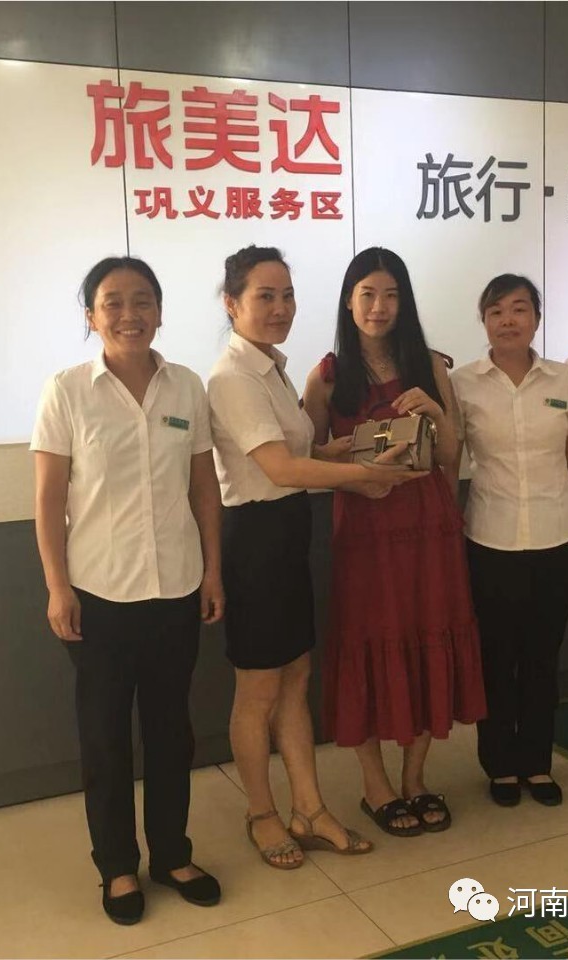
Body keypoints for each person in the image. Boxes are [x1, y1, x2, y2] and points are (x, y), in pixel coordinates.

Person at [207, 245, 419, 869]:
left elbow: (307, 450)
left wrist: (370, 445)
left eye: (287, 295)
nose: (280, 308)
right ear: (232, 303)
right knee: (258, 691)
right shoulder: (231, 377)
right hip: (253, 543)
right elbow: (278, 468)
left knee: (296, 679)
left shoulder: (272, 369)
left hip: (287, 535)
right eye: (264, 296)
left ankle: (309, 808)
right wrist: (364, 477)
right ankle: (262, 813)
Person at [32, 256, 223, 925]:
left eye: (142, 300)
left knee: (172, 734)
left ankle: (172, 854)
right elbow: (48, 499)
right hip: (99, 596)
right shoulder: (67, 391)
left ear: (160, 311)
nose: (129, 314)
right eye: (112, 302)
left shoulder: (186, 386)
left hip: (175, 587)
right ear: (91, 316)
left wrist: (213, 571)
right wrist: (57, 587)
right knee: (107, 740)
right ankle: (116, 866)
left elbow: (204, 486)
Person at [303, 246, 487, 838]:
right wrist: (340, 457)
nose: (378, 307)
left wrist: (434, 408)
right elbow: (308, 460)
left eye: (390, 295)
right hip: (365, 534)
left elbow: (452, 455)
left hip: (429, 529)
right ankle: (375, 784)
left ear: (404, 302)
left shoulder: (429, 365)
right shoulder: (326, 377)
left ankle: (415, 777)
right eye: (367, 295)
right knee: (368, 645)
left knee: (426, 637)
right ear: (348, 301)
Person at [451, 274, 568, 808]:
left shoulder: (565, 378)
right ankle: (499, 765)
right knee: (496, 658)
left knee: (542, 657)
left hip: (558, 535)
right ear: (484, 321)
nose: (508, 320)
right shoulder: (462, 383)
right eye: (496, 311)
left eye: (519, 309)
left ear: (537, 318)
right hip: (490, 538)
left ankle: (536, 763)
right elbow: (450, 460)